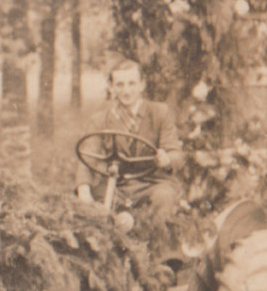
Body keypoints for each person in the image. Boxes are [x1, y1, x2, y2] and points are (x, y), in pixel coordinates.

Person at [75, 59, 185, 226]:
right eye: (120, 85)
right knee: (92, 205)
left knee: (165, 197)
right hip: (117, 184)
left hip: (152, 183)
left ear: (142, 85)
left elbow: (176, 153)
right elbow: (87, 158)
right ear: (111, 88)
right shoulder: (100, 120)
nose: (126, 91)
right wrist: (83, 189)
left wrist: (166, 159)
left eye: (132, 83)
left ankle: (156, 244)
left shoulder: (159, 112)